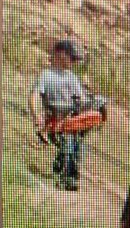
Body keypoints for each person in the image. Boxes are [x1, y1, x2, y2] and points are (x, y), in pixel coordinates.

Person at [28, 39, 88, 191]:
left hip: (72, 118)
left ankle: (66, 173)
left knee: (75, 147)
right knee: (67, 146)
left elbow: (82, 98)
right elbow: (35, 95)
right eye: (71, 58)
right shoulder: (46, 74)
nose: (73, 62)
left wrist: (85, 105)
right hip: (55, 117)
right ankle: (66, 178)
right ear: (61, 55)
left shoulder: (72, 77)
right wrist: (37, 117)